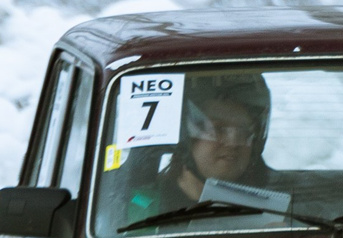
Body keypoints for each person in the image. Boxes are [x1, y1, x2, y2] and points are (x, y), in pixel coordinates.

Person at [113, 71, 273, 228]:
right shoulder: (136, 208)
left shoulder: (276, 208)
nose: (233, 142)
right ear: (184, 136)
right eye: (218, 129)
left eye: (244, 131)